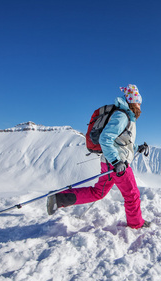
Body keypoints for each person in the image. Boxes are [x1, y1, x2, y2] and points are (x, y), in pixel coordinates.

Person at [47, 84, 150, 229]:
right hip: (117, 165)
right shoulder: (122, 116)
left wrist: (137, 148)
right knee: (132, 194)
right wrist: (116, 161)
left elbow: (123, 142)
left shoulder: (127, 117)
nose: (140, 105)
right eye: (138, 102)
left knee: (98, 192)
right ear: (132, 101)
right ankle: (136, 224)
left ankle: (59, 198)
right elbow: (105, 138)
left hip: (109, 163)